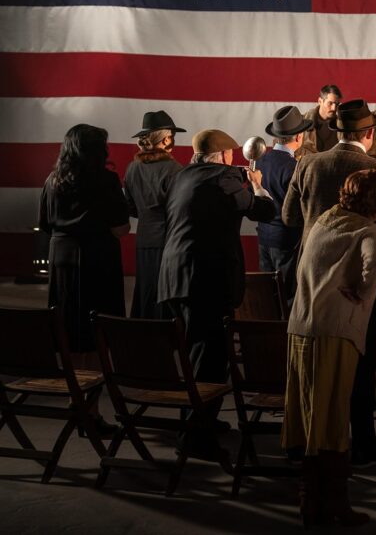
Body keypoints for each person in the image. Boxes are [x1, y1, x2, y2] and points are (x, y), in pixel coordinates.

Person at [283, 99, 376, 468]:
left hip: (310, 276)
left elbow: (289, 217)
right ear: (370, 133)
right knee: (361, 365)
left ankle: (308, 438)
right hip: (358, 281)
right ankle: (362, 444)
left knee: (309, 362)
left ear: (339, 132)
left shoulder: (308, 162)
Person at [283, 169, 376, 528]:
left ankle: (309, 500)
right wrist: (360, 294)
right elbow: (373, 266)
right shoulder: (368, 231)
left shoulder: (325, 220)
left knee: (308, 416)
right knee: (331, 418)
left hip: (301, 329)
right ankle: (334, 504)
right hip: (335, 333)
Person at [158, 128, 275, 460]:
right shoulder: (223, 180)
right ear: (223, 157)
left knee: (195, 352)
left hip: (175, 276)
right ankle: (197, 438)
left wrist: (237, 174)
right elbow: (263, 211)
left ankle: (198, 422)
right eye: (231, 156)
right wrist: (254, 184)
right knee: (209, 360)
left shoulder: (182, 176)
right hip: (205, 280)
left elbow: (210, 186)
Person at [39, 125, 130, 359]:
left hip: (61, 259)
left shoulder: (51, 181)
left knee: (66, 323)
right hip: (98, 258)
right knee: (98, 326)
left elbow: (46, 225)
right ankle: (95, 380)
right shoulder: (107, 180)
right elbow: (121, 228)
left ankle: (73, 382)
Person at [123, 110, 185, 319]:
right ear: (167, 139)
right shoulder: (174, 169)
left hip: (143, 238)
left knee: (145, 289)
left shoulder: (132, 169)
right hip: (169, 239)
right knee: (166, 290)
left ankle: (144, 337)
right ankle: (166, 336)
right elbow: (180, 209)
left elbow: (130, 207)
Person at [256, 105, 312, 305]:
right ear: (298, 137)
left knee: (268, 297)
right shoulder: (294, 168)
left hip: (263, 236)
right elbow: (300, 207)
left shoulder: (260, 161)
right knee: (287, 297)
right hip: (287, 240)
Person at [297, 84, 342, 159]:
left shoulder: (342, 126)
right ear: (320, 101)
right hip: (309, 168)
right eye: (330, 103)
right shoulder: (302, 123)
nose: (334, 108)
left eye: (337, 104)